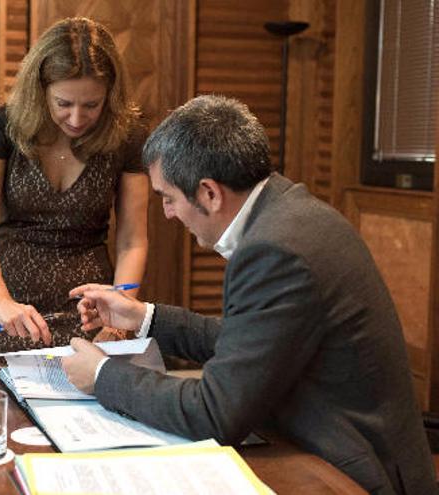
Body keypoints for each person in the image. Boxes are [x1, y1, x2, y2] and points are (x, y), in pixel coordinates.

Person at [62, 95, 437, 494]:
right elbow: (252, 341)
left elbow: (215, 412)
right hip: (336, 446)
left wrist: (103, 375)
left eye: (168, 198)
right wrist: (143, 317)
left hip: (351, 472)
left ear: (209, 193)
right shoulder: (292, 212)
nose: (169, 214)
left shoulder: (275, 250)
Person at [0, 17, 149, 352]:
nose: (77, 118)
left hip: (91, 311)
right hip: (12, 307)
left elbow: (132, 241)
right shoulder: (3, 126)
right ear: (40, 90)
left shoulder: (127, 136)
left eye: (91, 105)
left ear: (110, 94)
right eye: (64, 103)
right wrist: (1, 303)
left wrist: (120, 315)